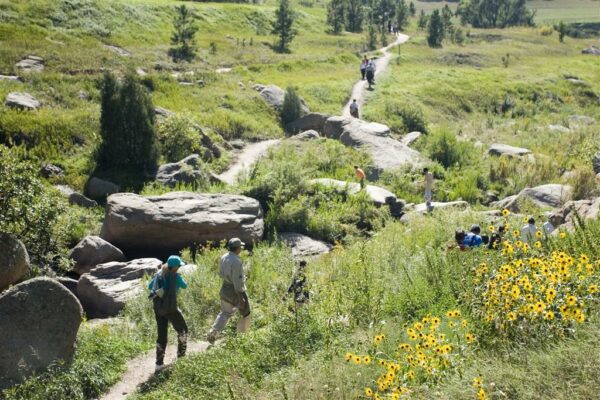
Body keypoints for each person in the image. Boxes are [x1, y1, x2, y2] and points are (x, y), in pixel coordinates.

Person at [148, 255, 189, 372]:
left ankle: (159, 364)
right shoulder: (175, 276)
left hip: (158, 309)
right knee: (183, 330)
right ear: (175, 267)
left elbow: (149, 287)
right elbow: (185, 286)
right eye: (179, 266)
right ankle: (181, 357)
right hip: (171, 309)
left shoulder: (159, 274)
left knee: (161, 336)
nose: (180, 267)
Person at [207, 238, 250, 344]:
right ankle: (242, 337)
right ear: (238, 248)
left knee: (225, 313)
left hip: (225, 288)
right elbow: (236, 282)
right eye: (241, 247)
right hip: (235, 291)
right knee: (246, 312)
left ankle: (213, 332)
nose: (241, 248)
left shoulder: (224, 257)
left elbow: (221, 274)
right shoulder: (236, 261)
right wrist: (241, 298)